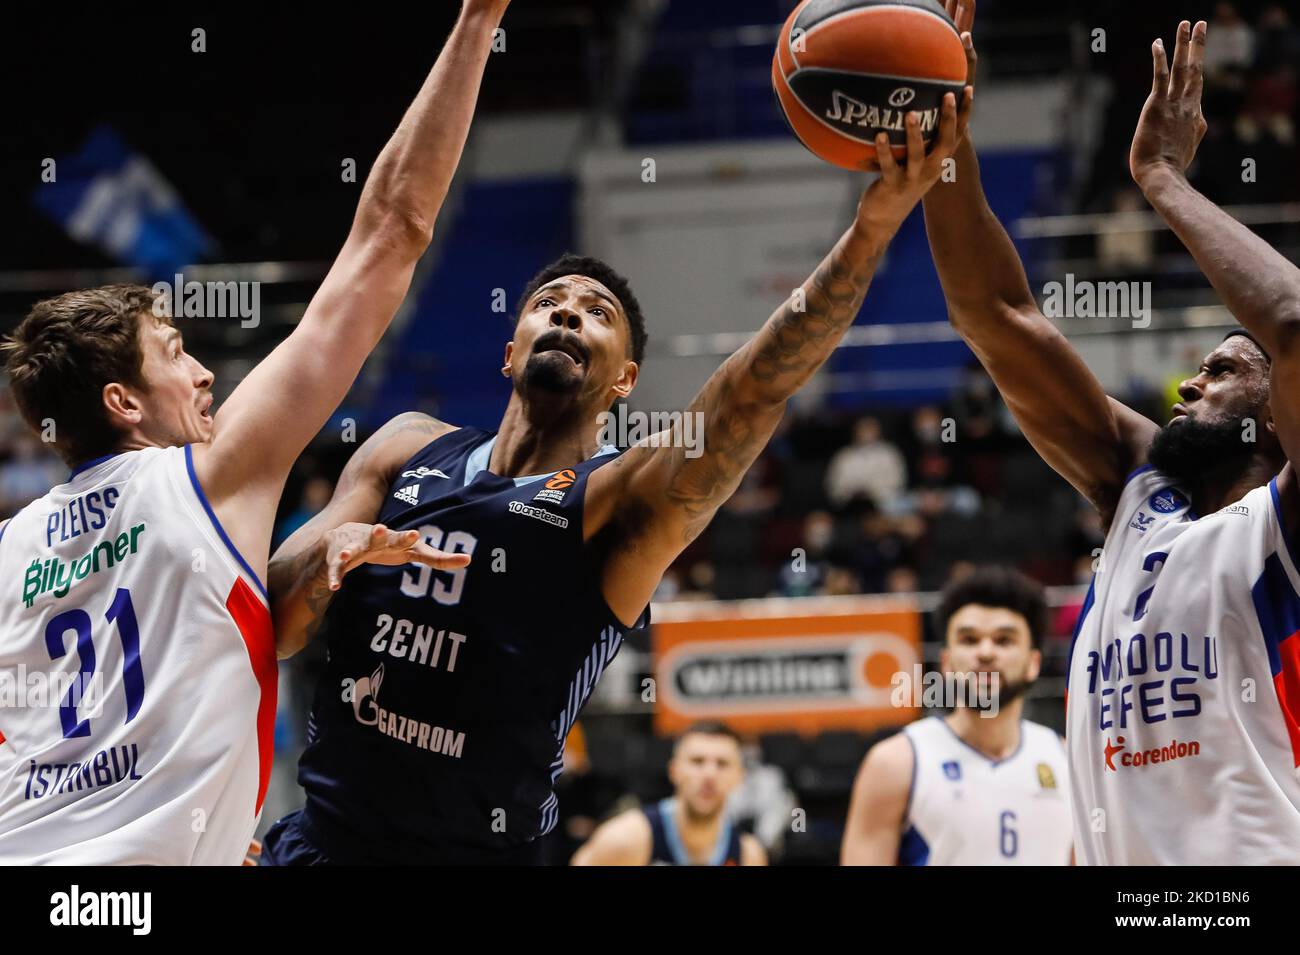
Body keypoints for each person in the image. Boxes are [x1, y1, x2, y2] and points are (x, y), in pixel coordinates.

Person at [262, 78, 975, 864]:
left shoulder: (617, 503)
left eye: (597, 311)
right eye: (550, 301)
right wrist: (333, 559)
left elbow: (756, 387)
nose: (568, 312)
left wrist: (871, 227)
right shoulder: (403, 446)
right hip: (320, 845)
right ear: (509, 351)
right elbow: (278, 617)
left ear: (625, 379)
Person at [0, 0, 511, 864]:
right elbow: (391, 233)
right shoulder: (210, 473)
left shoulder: (11, 549)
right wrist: (478, 19)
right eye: (176, 353)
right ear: (124, 402)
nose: (204, 372)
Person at [923, 5, 1300, 863]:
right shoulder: (1138, 484)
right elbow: (996, 314)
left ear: (1281, 414)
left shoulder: (1286, 523)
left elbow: (1292, 318)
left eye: (1225, 370)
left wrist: (1163, 179)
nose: (1188, 382)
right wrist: (946, 143)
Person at [841, 566, 1071, 865]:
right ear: (946, 663)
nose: (986, 652)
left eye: (1004, 640)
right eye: (969, 639)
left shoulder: (1067, 761)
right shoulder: (895, 763)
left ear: (1033, 663)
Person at [571, 722, 765, 866]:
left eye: (722, 764)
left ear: (739, 777)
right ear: (674, 771)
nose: (709, 774)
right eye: (697, 761)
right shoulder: (625, 840)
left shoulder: (749, 855)